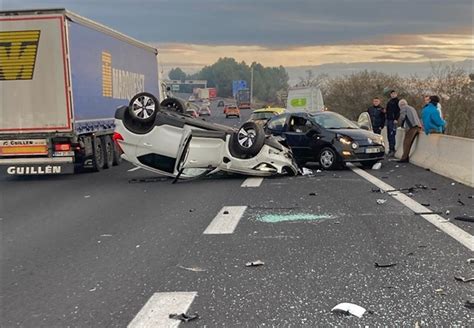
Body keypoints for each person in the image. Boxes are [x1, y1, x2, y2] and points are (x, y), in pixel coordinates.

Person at [385, 90, 400, 156]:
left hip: (393, 120)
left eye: (394, 94)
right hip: (388, 120)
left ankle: (392, 149)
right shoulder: (389, 102)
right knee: (389, 135)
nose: (393, 95)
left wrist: (396, 119)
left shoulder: (397, 102)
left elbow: (399, 111)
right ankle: (390, 148)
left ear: (396, 94)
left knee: (392, 135)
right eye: (392, 94)